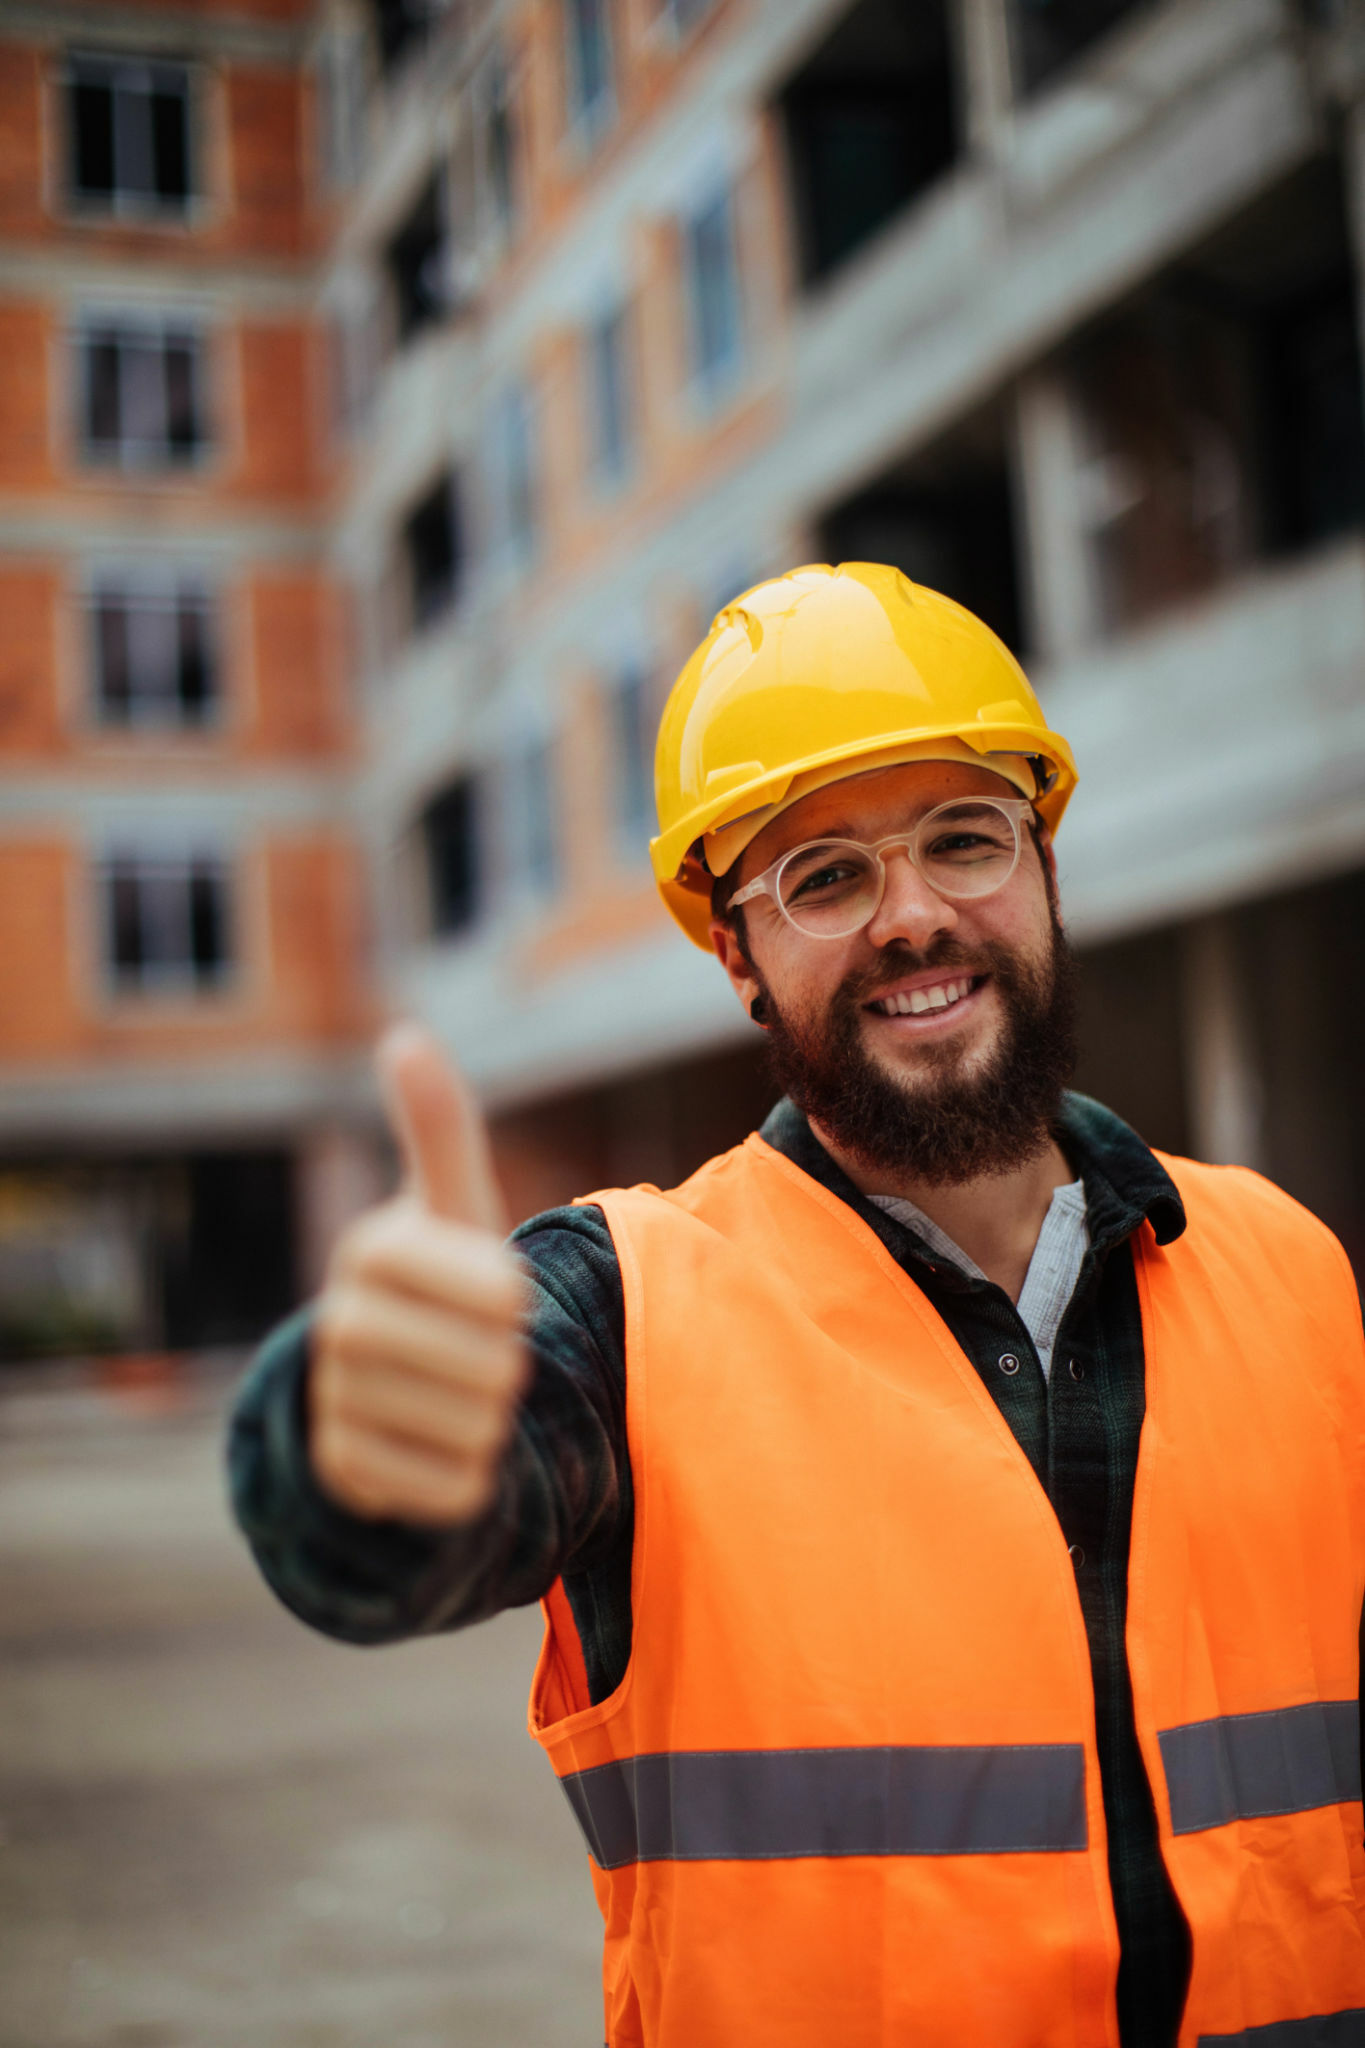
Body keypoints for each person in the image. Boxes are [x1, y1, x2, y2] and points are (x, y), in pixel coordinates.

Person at [230, 562, 1365, 2048]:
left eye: (965, 839)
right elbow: (409, 1519)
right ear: (736, 956)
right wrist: (360, 1444)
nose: (911, 918)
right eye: (822, 877)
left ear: (1042, 868)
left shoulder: (1289, 1264)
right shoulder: (625, 1307)